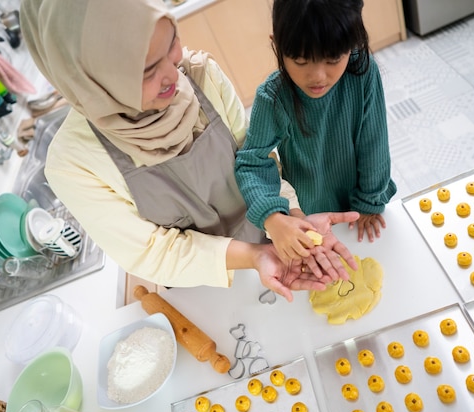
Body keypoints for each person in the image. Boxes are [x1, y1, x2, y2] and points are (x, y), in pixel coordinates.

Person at [19, 0, 359, 301]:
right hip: (199, 285)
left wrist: (292, 222)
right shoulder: (74, 163)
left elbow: (256, 163)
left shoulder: (201, 74)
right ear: (90, 79)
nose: (173, 73)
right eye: (147, 70)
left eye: (171, 44)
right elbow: (153, 253)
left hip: (272, 245)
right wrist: (254, 256)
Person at [234, 0, 397, 264]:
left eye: (333, 59)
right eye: (300, 61)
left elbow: (374, 143)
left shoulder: (363, 73)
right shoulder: (273, 97)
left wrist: (369, 201)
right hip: (308, 215)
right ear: (277, 45)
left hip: (361, 205)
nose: (318, 76)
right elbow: (251, 163)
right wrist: (273, 216)